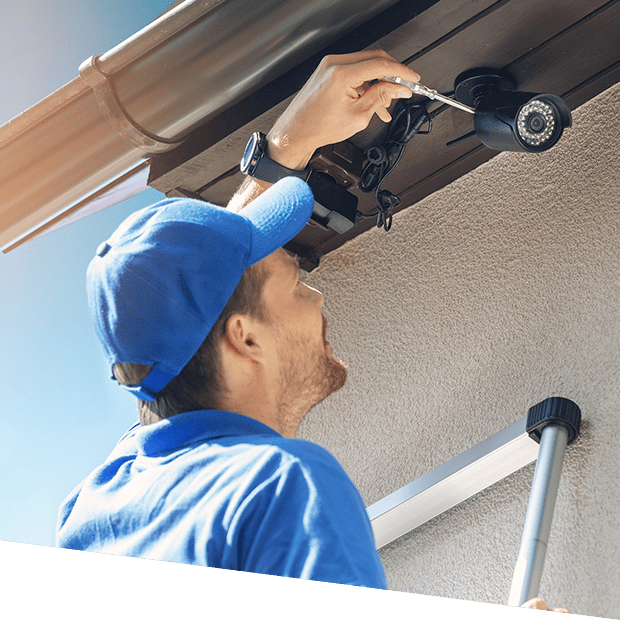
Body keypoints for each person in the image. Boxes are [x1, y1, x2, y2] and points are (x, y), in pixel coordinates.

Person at [56, 48, 568, 608]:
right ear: (244, 337)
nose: (317, 296)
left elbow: (184, 320)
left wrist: (284, 146)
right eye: (295, 287)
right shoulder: (282, 486)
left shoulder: (93, 513)